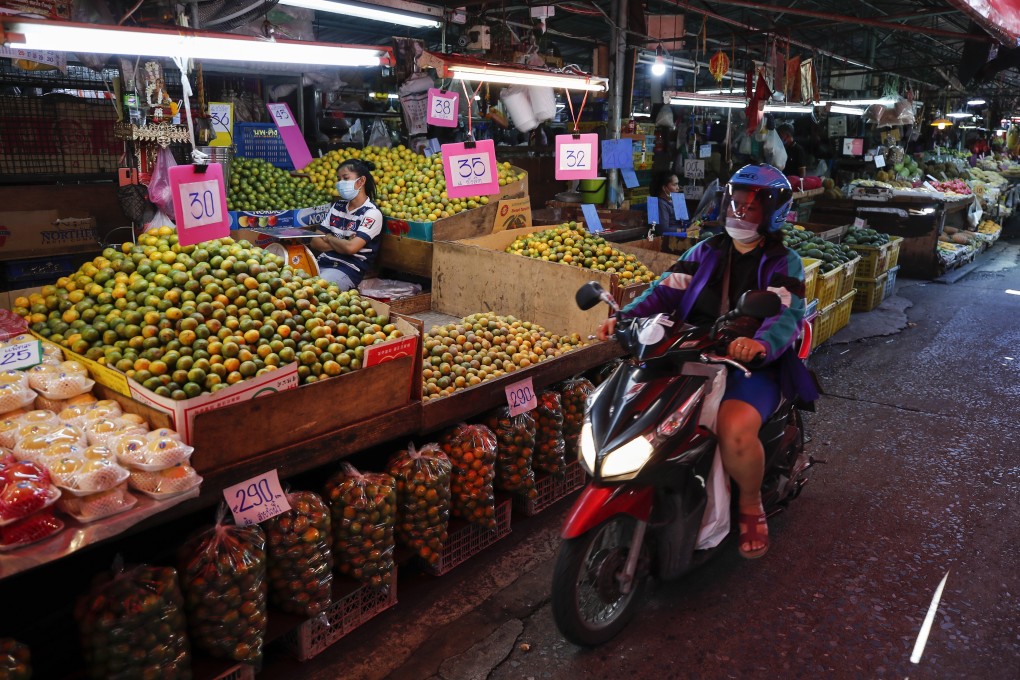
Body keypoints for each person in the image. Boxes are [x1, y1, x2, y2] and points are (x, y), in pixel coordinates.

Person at [597, 163, 817, 560]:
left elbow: (785, 315)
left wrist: (758, 344)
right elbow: (662, 291)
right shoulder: (706, 250)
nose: (740, 213)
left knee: (733, 429)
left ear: (772, 214)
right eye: (736, 204)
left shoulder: (786, 262)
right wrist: (624, 318)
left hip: (751, 367)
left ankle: (750, 505)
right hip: (692, 353)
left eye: (751, 208)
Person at [310, 159, 384, 291]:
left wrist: (330, 237)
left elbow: (351, 248)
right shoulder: (337, 206)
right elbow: (315, 241)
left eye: (345, 178)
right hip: (322, 263)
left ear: (361, 181)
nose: (340, 183)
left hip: (347, 270)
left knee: (314, 291)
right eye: (339, 179)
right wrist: (343, 244)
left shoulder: (372, 213)